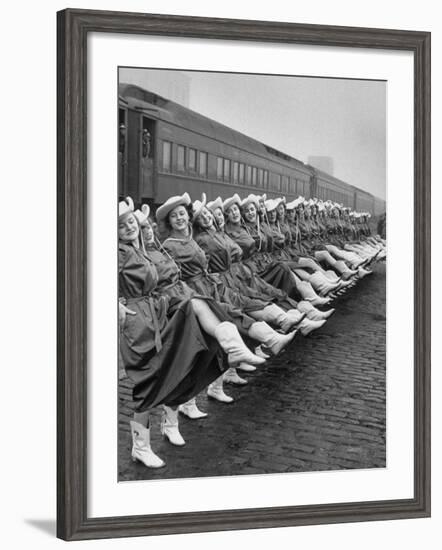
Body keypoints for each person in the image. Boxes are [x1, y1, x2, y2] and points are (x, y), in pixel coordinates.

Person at [119, 197, 264, 468]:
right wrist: (117, 303)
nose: (131, 228)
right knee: (148, 381)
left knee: (173, 365)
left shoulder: (137, 249)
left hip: (156, 313)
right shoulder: (118, 252)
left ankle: (166, 426)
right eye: (123, 225)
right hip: (139, 321)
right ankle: (141, 446)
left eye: (133, 223)